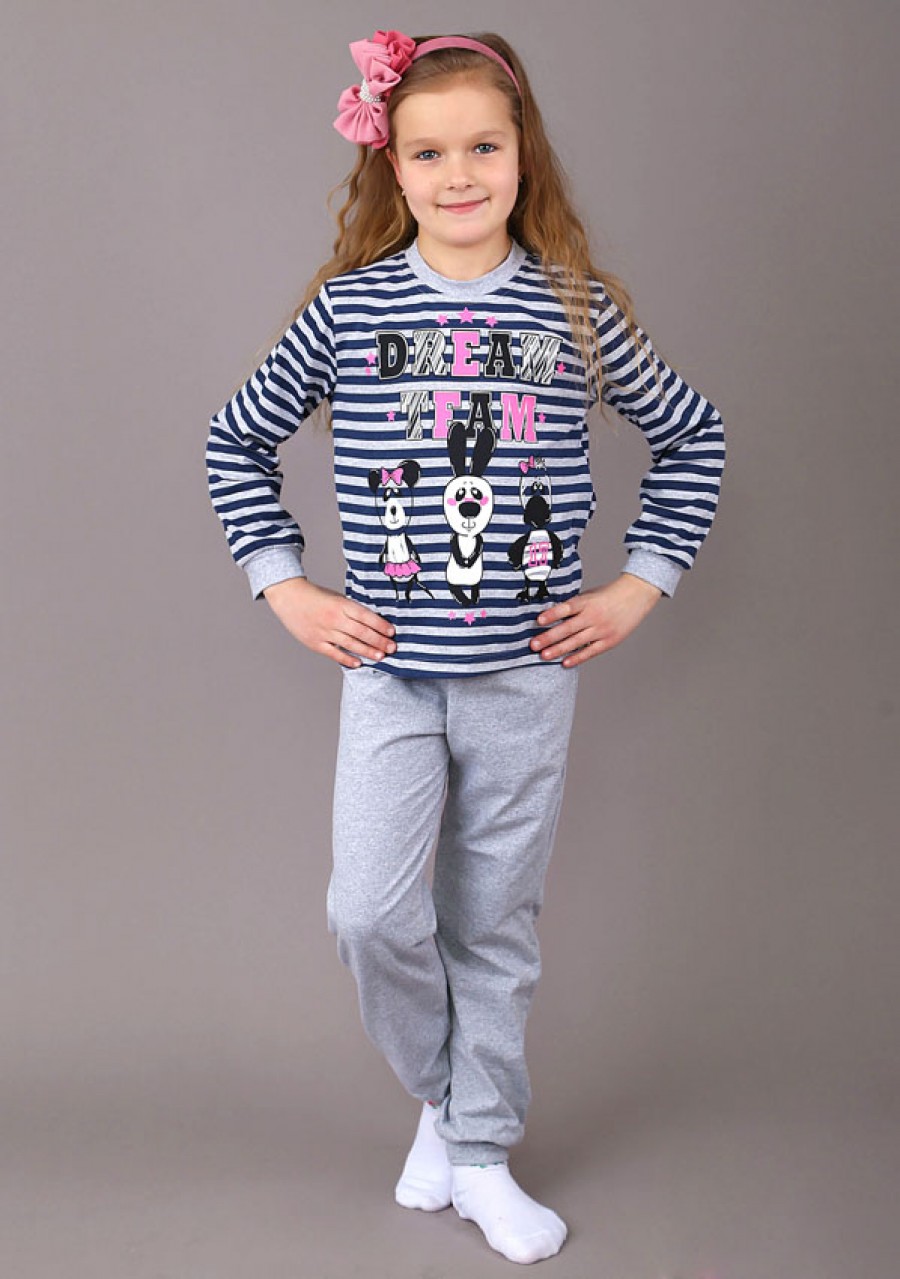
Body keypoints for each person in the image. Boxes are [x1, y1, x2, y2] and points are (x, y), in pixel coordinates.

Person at [205, 30, 726, 1266]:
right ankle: (446, 1097)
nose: (458, 175)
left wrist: (638, 586)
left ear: (521, 155)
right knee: (368, 913)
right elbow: (236, 442)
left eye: (483, 147)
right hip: (388, 671)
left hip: (527, 676)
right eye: (429, 152)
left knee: (492, 922)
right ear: (391, 165)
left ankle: (480, 1150)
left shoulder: (574, 308)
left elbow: (693, 437)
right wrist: (286, 587)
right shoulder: (350, 309)